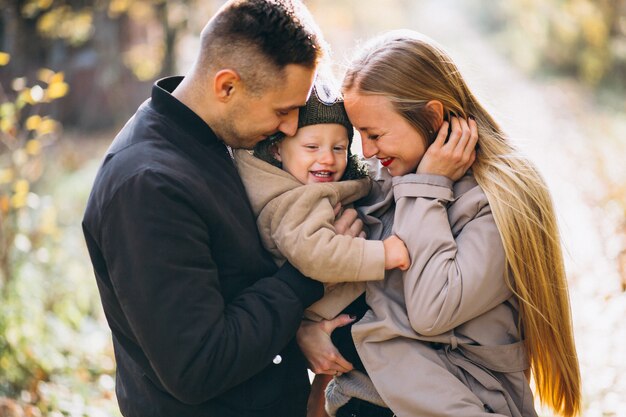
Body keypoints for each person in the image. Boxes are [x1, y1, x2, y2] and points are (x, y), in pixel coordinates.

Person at [81, 1, 364, 416]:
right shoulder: (148, 187)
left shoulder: (213, 140)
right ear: (227, 86)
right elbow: (197, 366)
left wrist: (299, 330)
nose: (289, 127)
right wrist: (308, 274)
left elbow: (239, 288)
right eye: (283, 111)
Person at [297, 30, 581, 417]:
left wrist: (429, 186)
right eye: (359, 135)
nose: (366, 151)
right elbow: (356, 291)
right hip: (366, 397)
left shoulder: (500, 197)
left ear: (432, 115)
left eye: (375, 134)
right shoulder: (384, 177)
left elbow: (432, 312)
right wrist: (308, 332)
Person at [233, 86, 410, 324]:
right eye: (312, 147)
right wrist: (383, 254)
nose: (327, 158)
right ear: (276, 150)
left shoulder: (306, 189)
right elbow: (316, 254)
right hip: (333, 313)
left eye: (339, 148)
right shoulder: (292, 201)